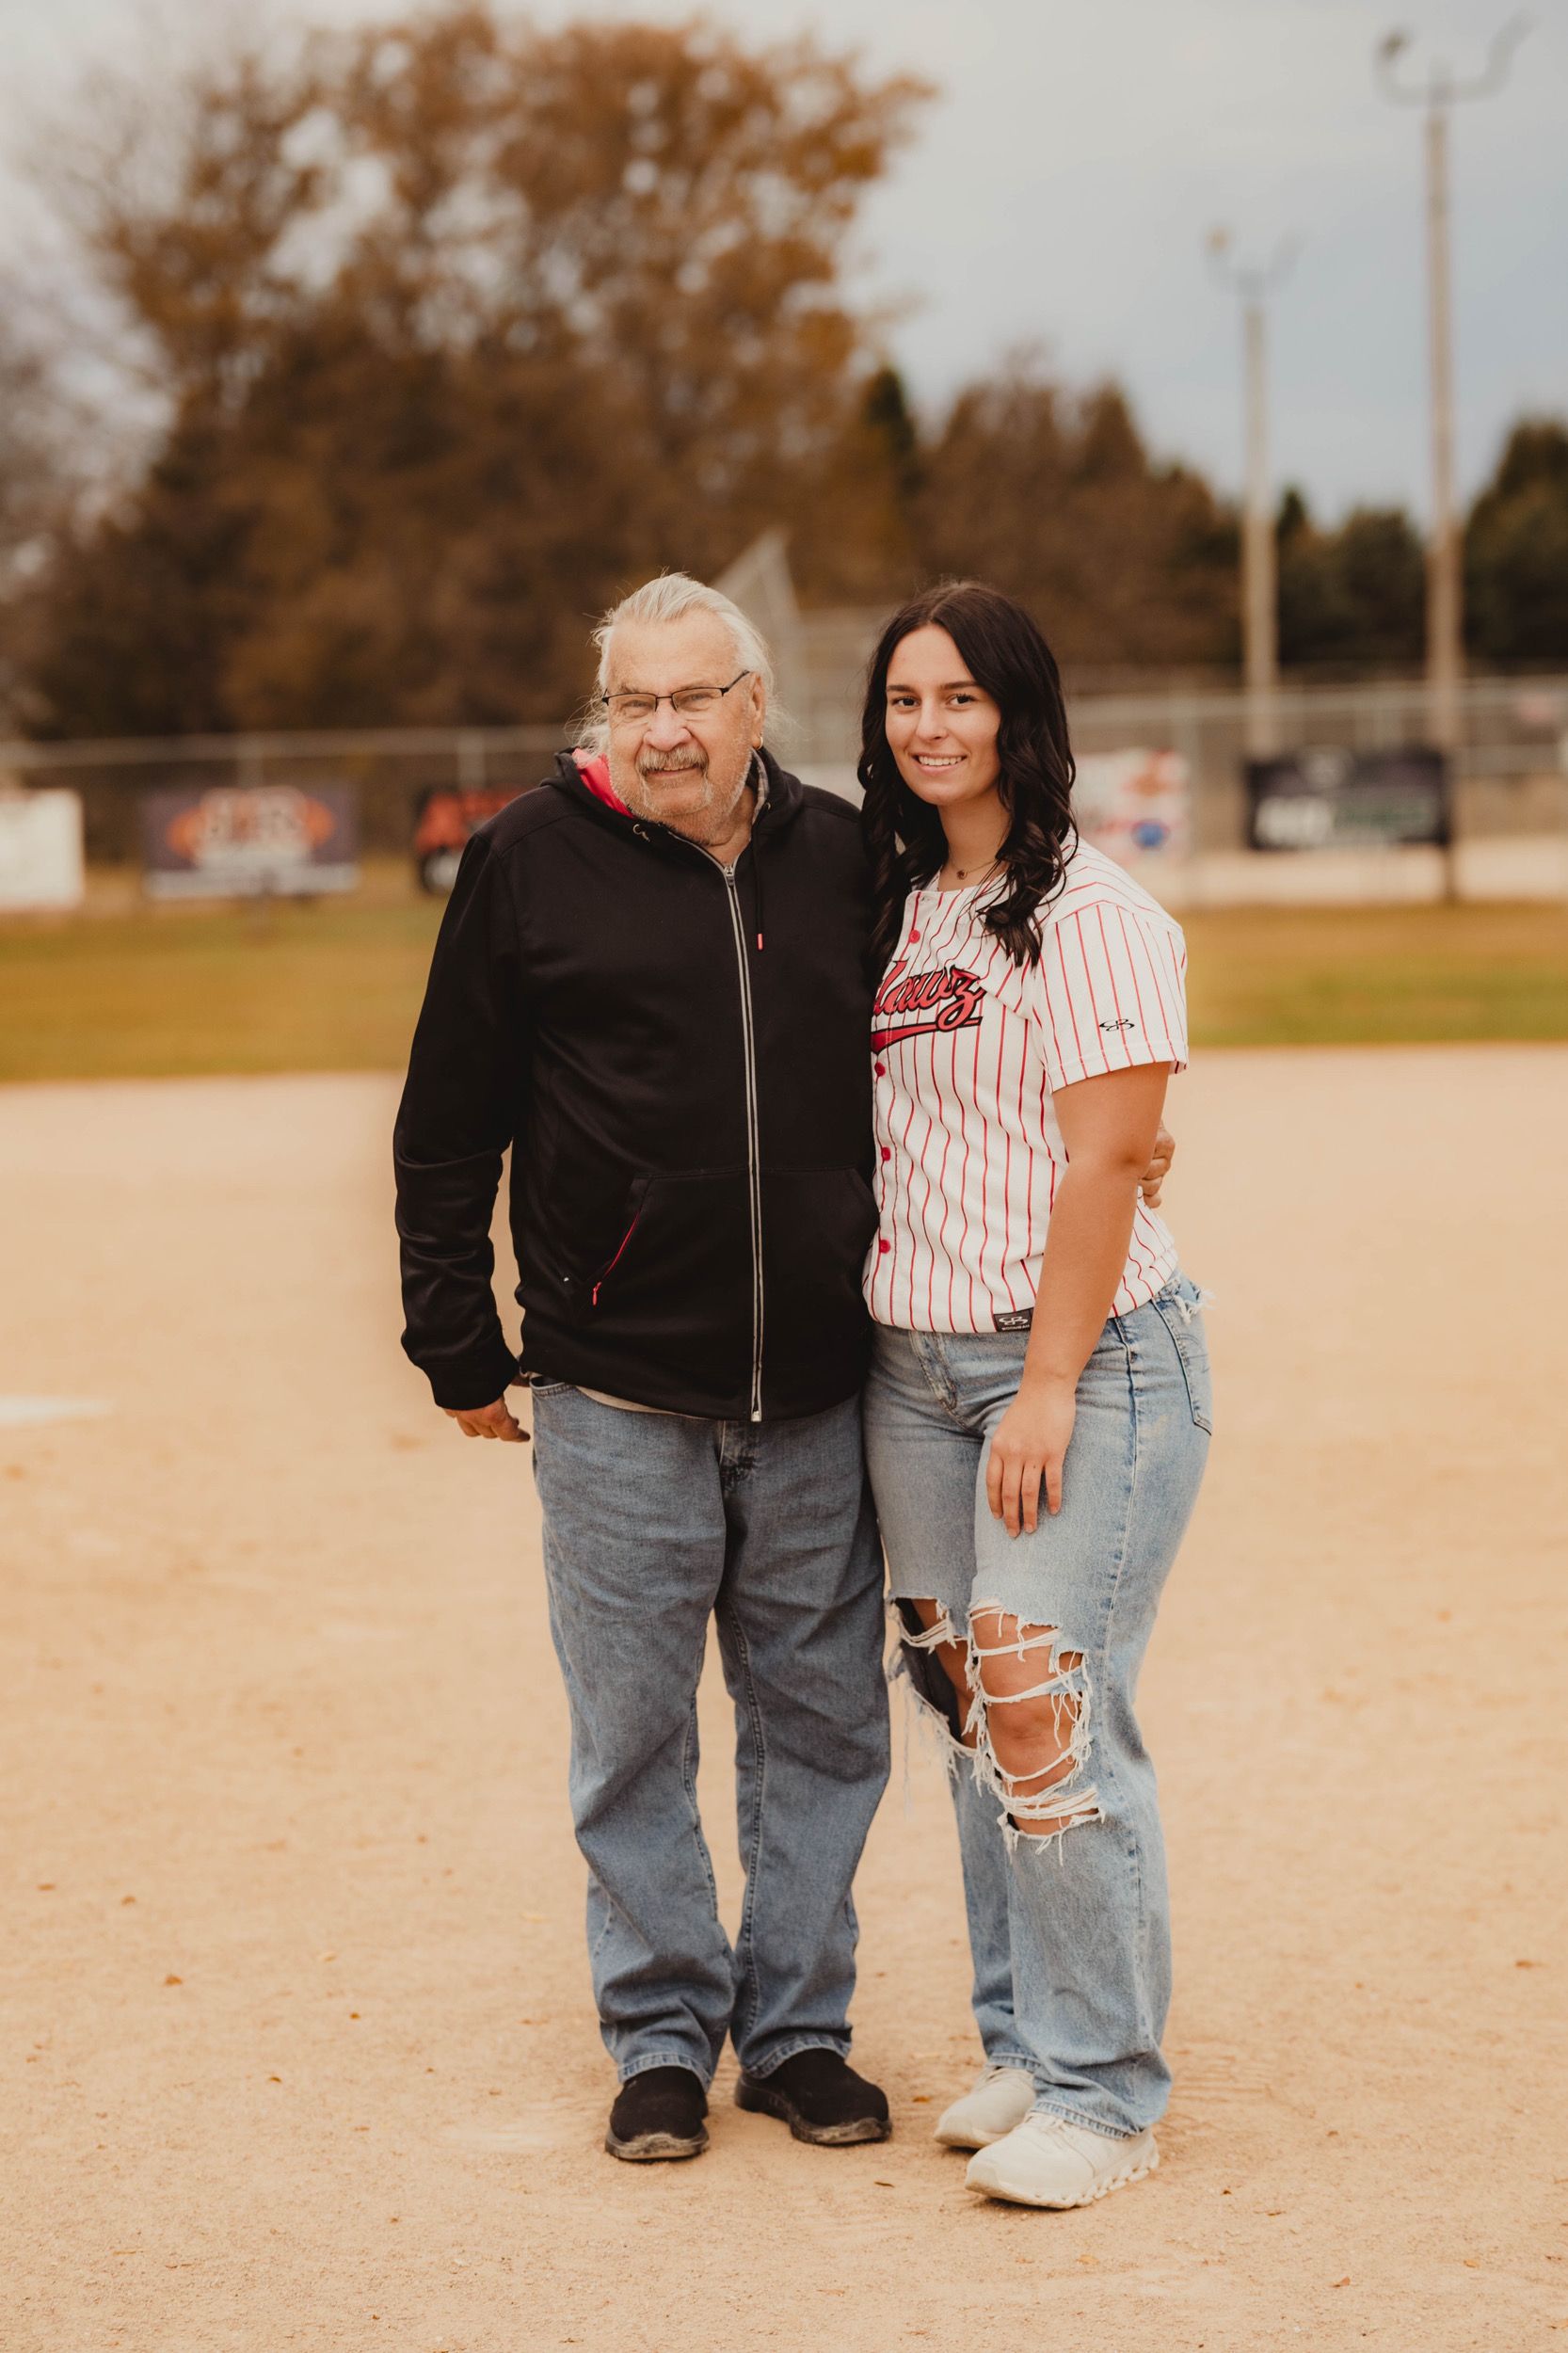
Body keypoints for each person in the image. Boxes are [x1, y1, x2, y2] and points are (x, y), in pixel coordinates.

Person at [393, 575, 896, 2163]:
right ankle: (663, 2034)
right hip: (613, 1389)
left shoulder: (846, 855)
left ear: (756, 703)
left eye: (691, 699)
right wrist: (453, 1341)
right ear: (602, 714)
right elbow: (445, 1122)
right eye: (633, 703)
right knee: (631, 1735)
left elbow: (949, 1060)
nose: (661, 732)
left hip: (816, 1386)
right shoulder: (527, 860)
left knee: (824, 1725)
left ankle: (798, 2031)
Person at [858, 581, 1211, 2212]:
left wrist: (1049, 1383)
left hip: (1078, 1361)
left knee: (1039, 1694)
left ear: (1018, 712)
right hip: (914, 1369)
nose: (928, 726)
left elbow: (1108, 1160)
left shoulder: (1092, 911)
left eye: (960, 697)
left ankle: (1104, 2094)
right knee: (962, 1704)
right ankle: (1024, 2039)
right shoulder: (907, 903)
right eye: (903, 699)